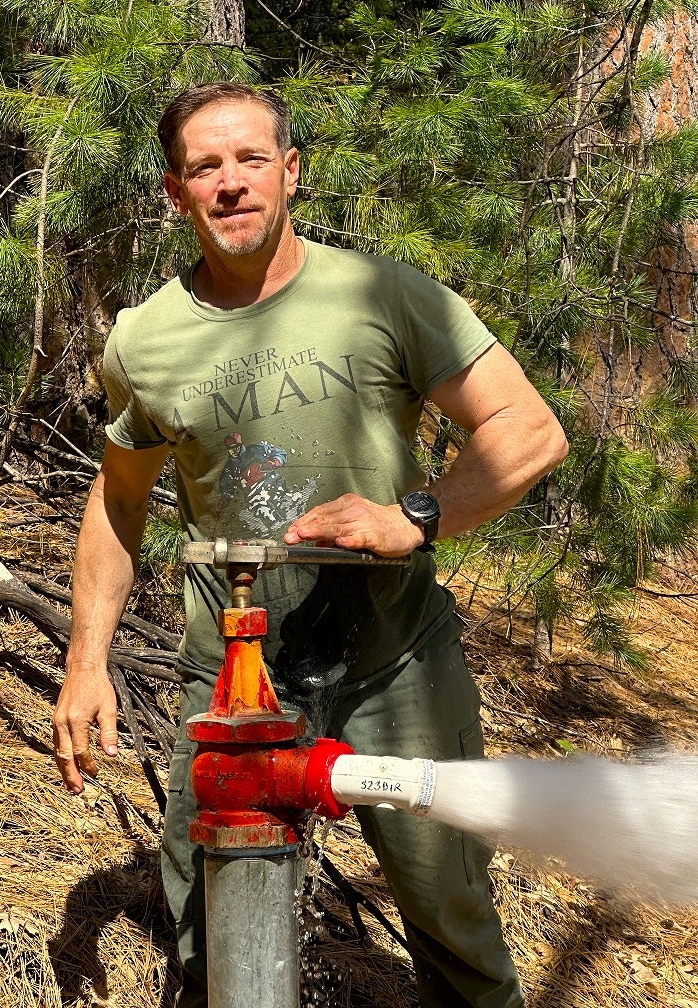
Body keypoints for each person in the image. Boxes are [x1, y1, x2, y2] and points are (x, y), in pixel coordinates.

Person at [52, 81, 568, 1008]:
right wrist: (86, 661)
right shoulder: (145, 340)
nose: (231, 184)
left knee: (452, 920)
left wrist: (413, 517)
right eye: (205, 167)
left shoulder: (384, 294)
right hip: (233, 690)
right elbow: (115, 503)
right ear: (176, 192)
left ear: (291, 172)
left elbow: (529, 430)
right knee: (207, 937)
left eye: (252, 160)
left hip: (395, 668)